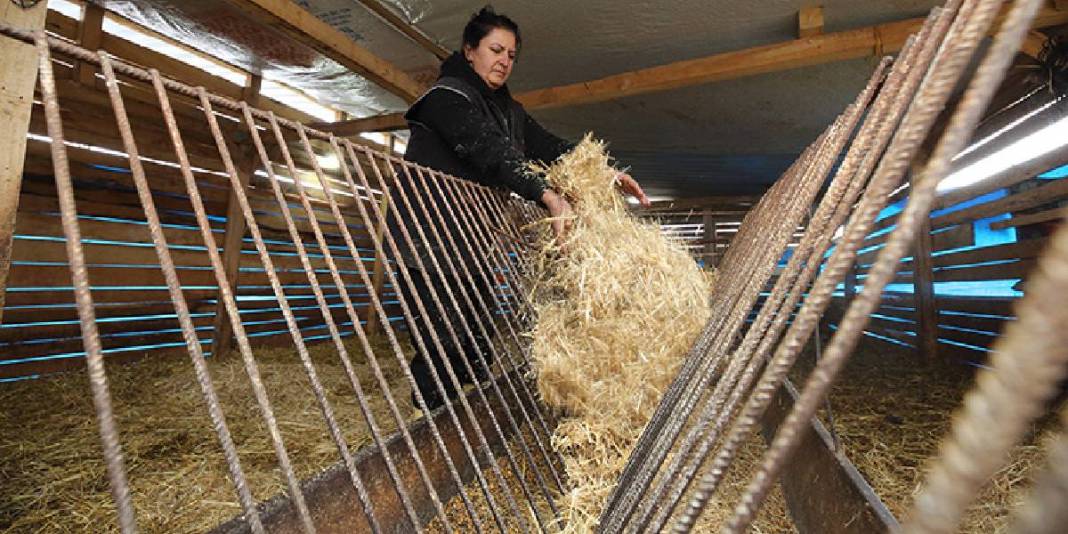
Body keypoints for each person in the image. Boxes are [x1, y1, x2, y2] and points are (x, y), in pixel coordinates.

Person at [396, 5, 650, 410]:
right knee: (440, 343)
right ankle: (432, 419)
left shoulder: (507, 110)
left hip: (470, 243)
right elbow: (490, 152)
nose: (504, 61)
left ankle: (463, 409)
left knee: (476, 345)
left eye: (511, 56)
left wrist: (605, 171)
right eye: (496, 50)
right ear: (469, 51)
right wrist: (545, 194)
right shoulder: (446, 98)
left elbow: (549, 147)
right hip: (430, 241)